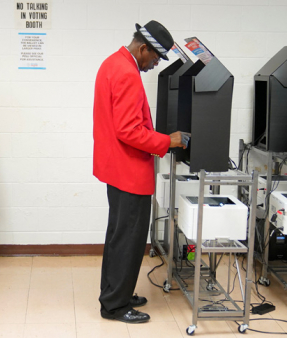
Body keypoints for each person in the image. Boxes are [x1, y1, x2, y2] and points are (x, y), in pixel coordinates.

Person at [93, 20, 189, 324]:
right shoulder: (126, 73)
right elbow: (129, 131)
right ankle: (115, 306)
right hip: (129, 171)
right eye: (156, 57)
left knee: (118, 236)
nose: (155, 64)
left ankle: (115, 293)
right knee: (129, 239)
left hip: (115, 168)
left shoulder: (113, 63)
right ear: (143, 48)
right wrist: (167, 140)